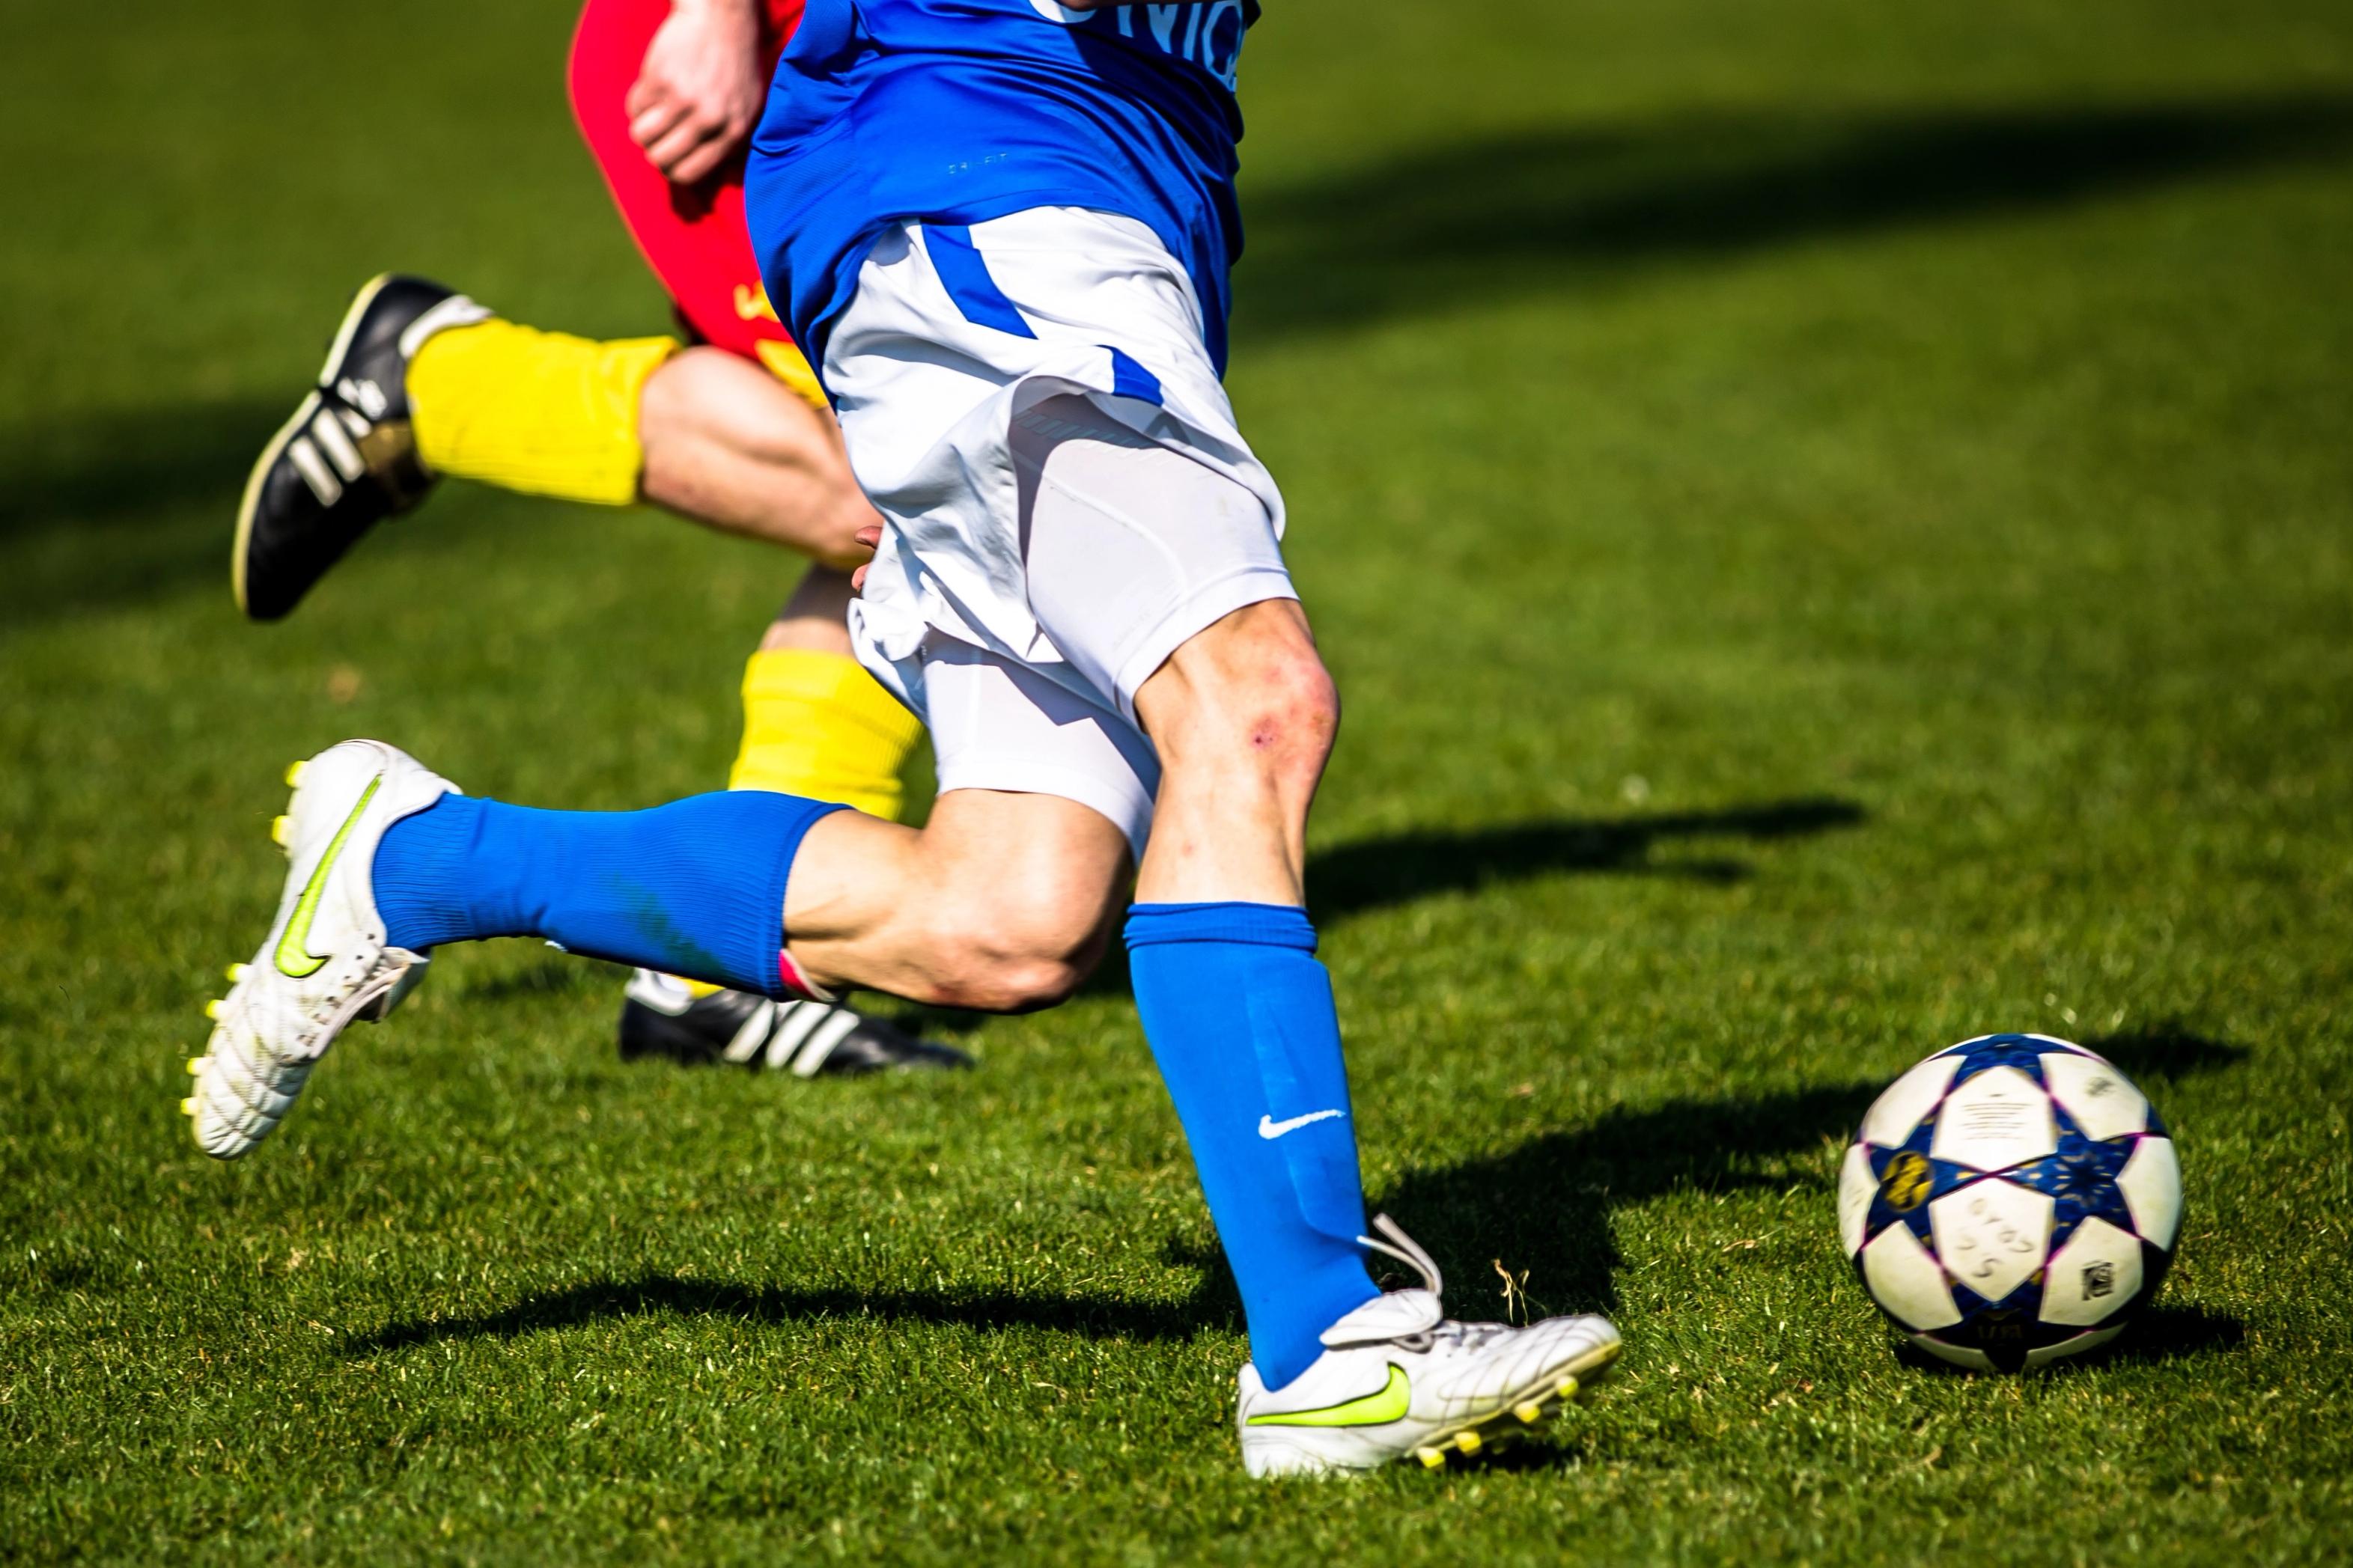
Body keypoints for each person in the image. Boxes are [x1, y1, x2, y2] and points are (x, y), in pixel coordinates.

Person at [186, 0, 1620, 1477]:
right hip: (985, 170)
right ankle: (1326, 1345)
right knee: (1251, 699)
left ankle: (418, 863)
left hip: (1110, 196)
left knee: (1010, 916)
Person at [230, 0, 957, 1077]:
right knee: (917, 494)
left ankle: (720, 973)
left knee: (935, 489)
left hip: (900, 75)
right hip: (751, 56)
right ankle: (443, 385)